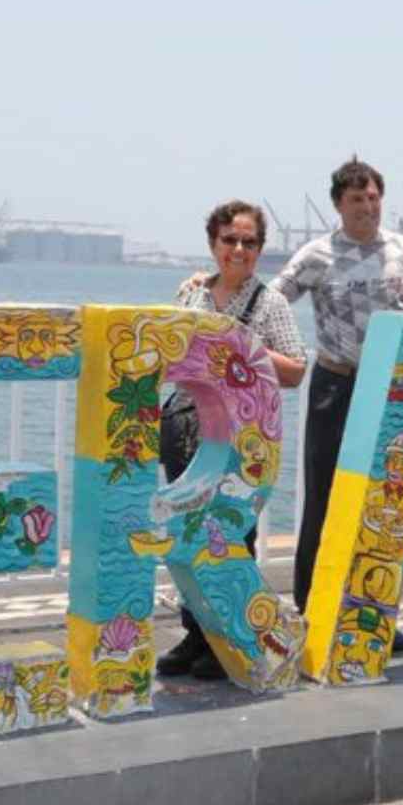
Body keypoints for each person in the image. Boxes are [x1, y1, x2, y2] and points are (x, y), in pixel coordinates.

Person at [271, 156, 403, 655]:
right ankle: (312, 613)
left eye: (373, 198)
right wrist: (212, 285)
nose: (367, 207)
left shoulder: (402, 249)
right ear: (338, 204)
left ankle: (376, 617)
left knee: (386, 504)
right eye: (357, 199)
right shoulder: (315, 254)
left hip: (393, 388)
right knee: (324, 500)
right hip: (337, 384)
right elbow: (271, 301)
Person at [156, 200, 307, 679]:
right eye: (230, 240)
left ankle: (226, 635)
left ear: (260, 249)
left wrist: (242, 347)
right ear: (213, 244)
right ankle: (197, 632)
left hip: (243, 439)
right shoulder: (192, 296)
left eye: (249, 242)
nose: (238, 250)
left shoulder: (270, 303)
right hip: (184, 424)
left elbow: (296, 369)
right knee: (186, 531)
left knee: (227, 534)